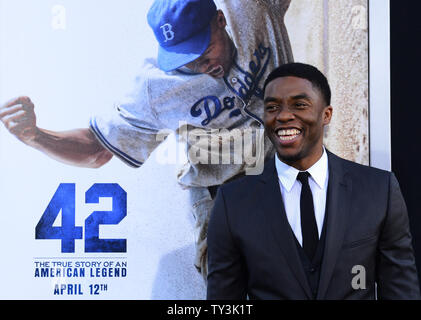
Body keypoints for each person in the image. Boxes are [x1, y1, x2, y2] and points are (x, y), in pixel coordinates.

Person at [0, 0, 293, 279]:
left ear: (220, 20)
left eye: (206, 52)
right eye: (187, 61)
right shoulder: (156, 88)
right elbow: (96, 149)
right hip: (222, 188)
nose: (202, 66)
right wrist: (37, 137)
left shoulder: (251, 7)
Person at [206, 62, 421, 299]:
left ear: (326, 115)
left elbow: (401, 290)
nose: (284, 116)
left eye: (299, 105)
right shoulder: (233, 202)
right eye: (272, 107)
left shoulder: (379, 190)